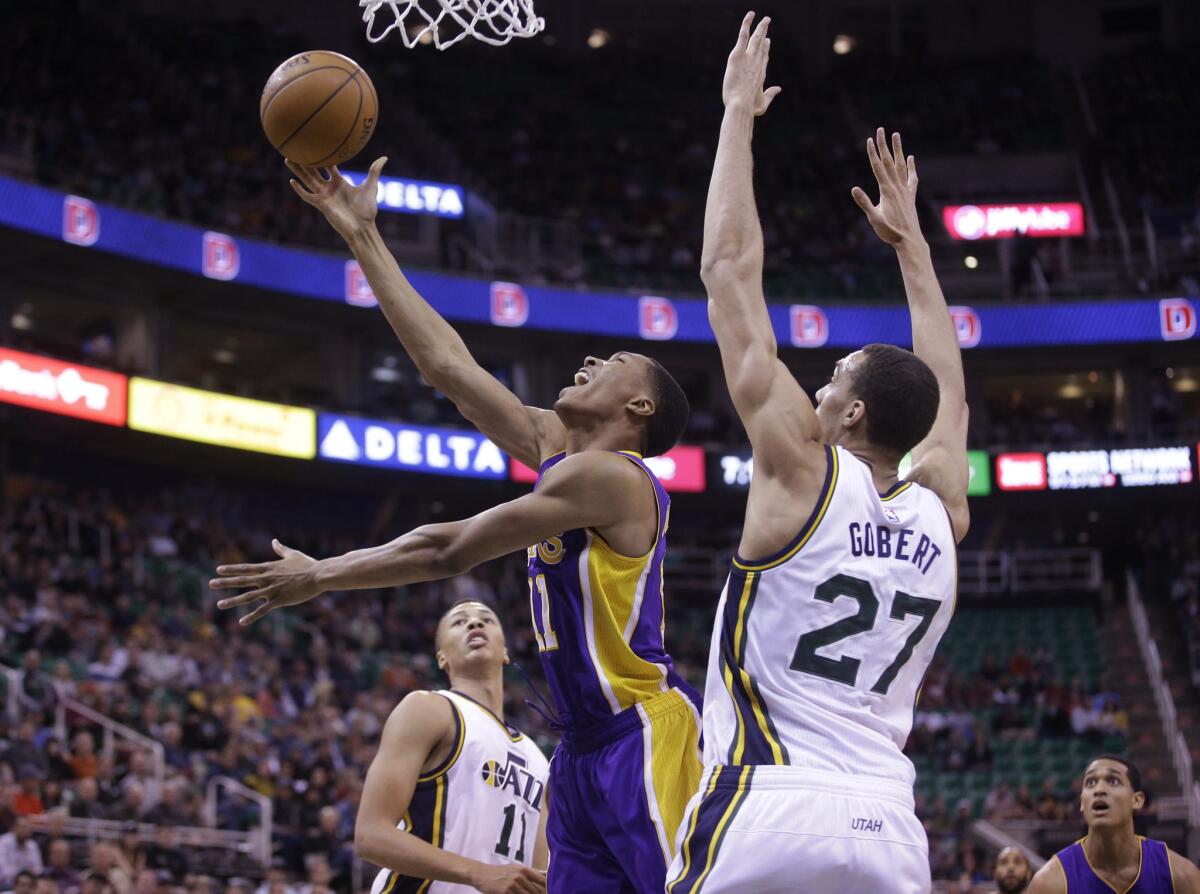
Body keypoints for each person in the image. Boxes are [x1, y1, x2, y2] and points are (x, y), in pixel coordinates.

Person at [212, 156, 703, 894]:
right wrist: (363, 236)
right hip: (578, 748)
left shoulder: (611, 478)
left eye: (617, 361)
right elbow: (447, 367)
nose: (593, 357)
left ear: (639, 412)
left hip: (641, 731)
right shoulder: (561, 452)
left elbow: (450, 547)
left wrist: (321, 575)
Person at [666, 14, 968, 894]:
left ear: (849, 415)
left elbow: (729, 272)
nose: (820, 387)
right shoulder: (942, 510)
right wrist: (914, 248)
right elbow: (944, 393)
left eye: (832, 378)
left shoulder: (804, 466)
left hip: (768, 800)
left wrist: (734, 115)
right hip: (888, 823)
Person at [349, 601, 549, 894]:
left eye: (486, 620)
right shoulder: (428, 708)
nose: (474, 624)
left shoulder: (538, 759)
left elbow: (538, 876)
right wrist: (478, 873)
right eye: (459, 622)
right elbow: (370, 835)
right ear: (442, 658)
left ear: (506, 651)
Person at [1026, 755, 1200, 892]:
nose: (1099, 790)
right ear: (1081, 803)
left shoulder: (1180, 875)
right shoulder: (1049, 883)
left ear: (1137, 800)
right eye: (1091, 783)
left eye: (1113, 781)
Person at [0, 817, 45, 885]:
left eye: (28, 828)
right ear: (14, 828)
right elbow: (5, 872)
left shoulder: (32, 845)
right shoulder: (4, 842)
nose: (25, 830)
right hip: (7, 883)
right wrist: (26, 873)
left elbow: (38, 870)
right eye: (22, 827)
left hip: (29, 884)